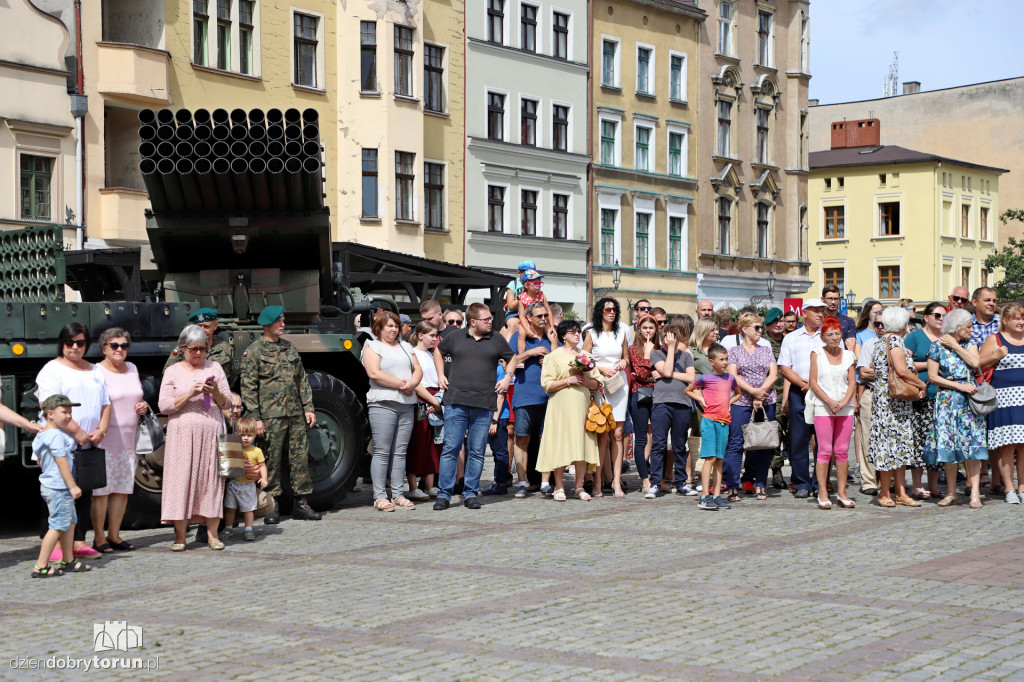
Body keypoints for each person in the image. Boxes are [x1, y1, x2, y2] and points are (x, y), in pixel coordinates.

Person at [35, 322, 110, 561]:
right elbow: (49, 406)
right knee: (59, 491)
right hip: (61, 441)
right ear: (62, 343)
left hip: (88, 441)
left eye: (80, 343)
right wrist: (77, 431)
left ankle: (78, 541)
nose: (75, 347)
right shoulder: (51, 369)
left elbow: (106, 403)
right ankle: (54, 543)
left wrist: (102, 430)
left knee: (84, 491)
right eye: (70, 342)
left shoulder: (94, 369)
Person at [240, 305, 321, 523]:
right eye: (279, 321)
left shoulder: (290, 348)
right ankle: (271, 505)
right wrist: (256, 416)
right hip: (270, 415)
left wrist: (308, 407)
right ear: (267, 325)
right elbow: (248, 386)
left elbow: (301, 380)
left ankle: (301, 504)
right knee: (271, 460)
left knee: (300, 458)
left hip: (295, 413)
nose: (283, 324)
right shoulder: (254, 351)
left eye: (284, 320)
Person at [433, 303, 515, 510]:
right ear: (473, 321)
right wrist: (441, 374)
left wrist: (507, 377)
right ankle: (444, 494)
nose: (490, 322)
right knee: (451, 449)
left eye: (490, 318)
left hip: (484, 404)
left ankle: (470, 493)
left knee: (477, 451)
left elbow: (511, 358)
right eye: (486, 319)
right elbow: (437, 351)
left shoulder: (496, 338)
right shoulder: (455, 336)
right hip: (455, 402)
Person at [159, 324, 232, 550]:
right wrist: (191, 392)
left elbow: (227, 402)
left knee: (211, 481)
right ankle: (180, 537)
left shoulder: (216, 367)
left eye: (202, 348)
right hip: (182, 436)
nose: (198, 353)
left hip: (211, 433)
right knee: (180, 482)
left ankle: (212, 535)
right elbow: (164, 406)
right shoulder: (172, 371)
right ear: (182, 348)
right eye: (193, 349)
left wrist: (215, 392)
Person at [93, 327, 147, 553]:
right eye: (114, 345)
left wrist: (143, 406)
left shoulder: (132, 368)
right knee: (102, 491)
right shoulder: (96, 371)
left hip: (129, 437)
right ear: (104, 348)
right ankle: (98, 538)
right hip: (106, 437)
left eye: (124, 345)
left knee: (123, 489)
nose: (119, 349)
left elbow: (137, 396)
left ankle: (114, 535)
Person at [535, 320, 603, 501]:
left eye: (578, 331)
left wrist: (588, 382)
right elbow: (546, 384)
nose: (576, 334)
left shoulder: (586, 356)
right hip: (560, 406)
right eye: (572, 331)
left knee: (581, 444)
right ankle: (559, 486)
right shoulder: (553, 357)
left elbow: (597, 382)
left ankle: (579, 486)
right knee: (560, 445)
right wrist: (568, 381)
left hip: (581, 405)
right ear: (563, 335)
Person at [926, 308, 987, 508]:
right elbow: (933, 377)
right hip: (946, 401)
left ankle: (975, 493)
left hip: (969, 402)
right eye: (968, 326)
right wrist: (958, 386)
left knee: (973, 446)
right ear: (957, 327)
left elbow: (975, 362)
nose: (972, 329)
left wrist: (956, 346)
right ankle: (951, 492)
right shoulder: (936, 347)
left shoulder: (971, 344)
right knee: (949, 447)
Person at [361, 311, 422, 511]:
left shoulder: (406, 346)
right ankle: (379, 495)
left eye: (396, 326)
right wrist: (401, 384)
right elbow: (374, 373)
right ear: (379, 328)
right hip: (383, 403)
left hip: (406, 403)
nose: (394, 329)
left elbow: (417, 369)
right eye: (389, 326)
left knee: (400, 452)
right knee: (382, 451)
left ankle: (397, 494)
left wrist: (412, 383)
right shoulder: (372, 346)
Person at [870, 307, 927, 508]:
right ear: (903, 324)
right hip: (891, 404)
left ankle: (901, 492)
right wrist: (921, 384)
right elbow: (901, 370)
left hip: (892, 403)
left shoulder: (880, 342)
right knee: (889, 449)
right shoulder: (894, 342)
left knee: (900, 448)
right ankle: (885, 492)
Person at [32, 395, 91, 577]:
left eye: (70, 413)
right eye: (64, 412)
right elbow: (61, 462)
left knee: (70, 523)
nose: (68, 416)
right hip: (59, 488)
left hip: (55, 486)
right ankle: (41, 566)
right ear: (50, 414)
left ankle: (68, 560)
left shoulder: (42, 434)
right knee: (57, 525)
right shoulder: (56, 436)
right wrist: (72, 486)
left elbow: (40, 461)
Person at [725, 312, 778, 501]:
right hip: (741, 400)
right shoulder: (734, 351)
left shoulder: (765, 349)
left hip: (766, 399)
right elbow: (733, 375)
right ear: (744, 329)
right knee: (736, 443)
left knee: (763, 443)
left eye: (761, 327)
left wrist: (761, 392)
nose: (760, 331)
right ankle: (732, 484)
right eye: (756, 327)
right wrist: (752, 392)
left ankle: (761, 483)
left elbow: (773, 374)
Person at [778, 298, 827, 497]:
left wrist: (816, 385)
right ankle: (801, 483)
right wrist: (804, 384)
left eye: (822, 311)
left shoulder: (830, 335)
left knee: (823, 440)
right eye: (815, 311)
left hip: (824, 393)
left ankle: (820, 482)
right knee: (798, 439)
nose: (820, 314)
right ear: (804, 313)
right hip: (800, 392)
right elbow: (784, 367)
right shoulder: (791, 338)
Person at [807, 318, 857, 509]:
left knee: (842, 451)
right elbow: (813, 381)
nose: (835, 338)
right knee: (825, 450)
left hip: (845, 407)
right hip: (823, 408)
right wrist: (829, 401)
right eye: (830, 334)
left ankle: (842, 492)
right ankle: (823, 492)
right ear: (823, 337)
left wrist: (844, 402)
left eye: (837, 334)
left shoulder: (848, 355)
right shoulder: (817, 354)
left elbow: (852, 382)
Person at [583, 297, 630, 497]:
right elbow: (582, 358)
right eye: (607, 309)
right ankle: (598, 482)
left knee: (618, 435)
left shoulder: (622, 333)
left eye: (614, 309)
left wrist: (623, 364)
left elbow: (626, 357)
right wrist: (600, 367)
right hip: (600, 384)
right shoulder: (592, 333)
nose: (611, 312)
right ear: (600, 312)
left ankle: (617, 482)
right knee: (602, 434)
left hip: (619, 385)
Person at [686, 344, 741, 510]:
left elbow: (738, 393)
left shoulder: (730, 378)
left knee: (719, 459)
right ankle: (704, 496)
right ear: (712, 361)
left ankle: (717, 495)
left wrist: (728, 403)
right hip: (709, 421)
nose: (725, 362)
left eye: (726, 359)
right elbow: (688, 390)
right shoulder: (705, 378)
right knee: (709, 458)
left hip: (725, 421)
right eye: (721, 359)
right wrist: (702, 400)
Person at [646, 324, 697, 499]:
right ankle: (655, 483)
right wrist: (669, 353)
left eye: (674, 337)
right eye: (668, 337)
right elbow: (666, 369)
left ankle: (682, 482)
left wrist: (667, 375)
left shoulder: (686, 355)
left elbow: (691, 378)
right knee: (659, 444)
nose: (671, 340)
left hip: (682, 404)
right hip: (661, 404)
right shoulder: (656, 353)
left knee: (679, 445)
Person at [980, 302, 1024, 503]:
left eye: (1022, 318)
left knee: (1023, 446)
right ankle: (1009, 489)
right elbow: (978, 365)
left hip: (1023, 399)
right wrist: (996, 355)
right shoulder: (994, 339)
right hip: (1005, 399)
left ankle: (1022, 487)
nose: (1021, 321)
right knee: (1007, 446)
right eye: (1016, 318)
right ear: (1005, 321)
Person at [509, 302, 551, 499]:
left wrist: (550, 357)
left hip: (549, 397)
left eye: (545, 315)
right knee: (522, 439)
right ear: (529, 318)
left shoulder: (552, 336)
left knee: (546, 440)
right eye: (539, 316)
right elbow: (509, 362)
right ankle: (523, 482)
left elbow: (565, 360)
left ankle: (544, 482)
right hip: (525, 395)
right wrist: (530, 353)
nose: (543, 319)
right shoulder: (520, 336)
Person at [904, 303, 947, 498]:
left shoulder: (947, 339)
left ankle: (934, 485)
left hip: (942, 398)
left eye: (943, 316)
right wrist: (930, 364)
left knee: (937, 442)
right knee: (919, 440)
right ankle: (916, 485)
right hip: (919, 396)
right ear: (926, 317)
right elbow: (904, 363)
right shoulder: (914, 337)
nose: (940, 318)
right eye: (937, 315)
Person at [407, 322, 444, 500]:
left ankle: (430, 485)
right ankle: (413, 486)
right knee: (418, 443)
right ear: (421, 335)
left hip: (434, 399)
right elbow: (416, 384)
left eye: (436, 335)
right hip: (422, 401)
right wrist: (433, 401)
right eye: (432, 336)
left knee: (433, 443)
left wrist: (438, 401)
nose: (435, 339)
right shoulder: (413, 354)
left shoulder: (432, 355)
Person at [164, 308, 237, 389]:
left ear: (215, 326)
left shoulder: (226, 349)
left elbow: (233, 377)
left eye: (206, 326)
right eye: (199, 326)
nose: (202, 330)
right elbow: (168, 377)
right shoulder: (183, 349)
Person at [627, 314, 660, 494]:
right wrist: (647, 355)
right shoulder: (633, 349)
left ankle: (657, 477)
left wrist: (657, 373)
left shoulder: (661, 348)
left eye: (651, 328)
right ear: (639, 329)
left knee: (658, 438)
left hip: (659, 395)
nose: (648, 331)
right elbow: (639, 373)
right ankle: (645, 480)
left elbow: (663, 372)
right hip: (638, 395)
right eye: (645, 328)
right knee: (640, 439)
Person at [222, 417, 267, 540]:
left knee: (248, 509)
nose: (245, 438)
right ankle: (228, 528)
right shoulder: (234, 449)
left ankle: (248, 529)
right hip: (234, 484)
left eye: (249, 435)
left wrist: (264, 478)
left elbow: (262, 465)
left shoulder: (257, 451)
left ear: (254, 435)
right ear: (236, 434)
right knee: (230, 508)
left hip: (248, 485)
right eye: (242, 435)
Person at [762, 308, 789, 489]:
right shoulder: (763, 343)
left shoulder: (790, 341)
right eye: (774, 322)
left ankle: (798, 475)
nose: (779, 325)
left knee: (794, 435)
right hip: (771, 396)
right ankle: (776, 471)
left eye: (781, 322)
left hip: (791, 393)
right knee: (774, 435)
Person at [503, 259, 537, 331]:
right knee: (513, 325)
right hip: (514, 313)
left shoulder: (535, 283)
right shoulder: (513, 284)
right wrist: (524, 294)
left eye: (532, 272)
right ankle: (509, 342)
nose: (530, 275)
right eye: (527, 272)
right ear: (519, 273)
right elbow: (511, 306)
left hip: (530, 313)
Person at [821, 284, 857, 351]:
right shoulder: (818, 320)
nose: (833, 302)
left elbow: (850, 350)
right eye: (830, 298)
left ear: (840, 299)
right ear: (822, 299)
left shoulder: (848, 322)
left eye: (836, 299)